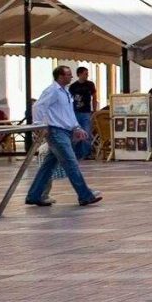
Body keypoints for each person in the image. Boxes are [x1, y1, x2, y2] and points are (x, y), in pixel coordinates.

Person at [23, 62, 101, 208]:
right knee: (70, 162)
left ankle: (35, 194)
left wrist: (76, 127)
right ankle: (85, 195)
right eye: (68, 74)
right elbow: (38, 107)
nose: (71, 76)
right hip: (56, 131)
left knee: (49, 165)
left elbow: (68, 113)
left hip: (65, 130)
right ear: (60, 76)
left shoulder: (65, 92)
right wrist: (39, 125)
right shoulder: (52, 91)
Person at [68, 65, 98, 138]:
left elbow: (94, 97)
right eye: (85, 74)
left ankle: (85, 149)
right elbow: (69, 100)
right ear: (79, 74)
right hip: (75, 112)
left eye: (87, 74)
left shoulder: (90, 84)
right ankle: (76, 149)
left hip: (86, 112)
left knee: (86, 132)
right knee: (76, 133)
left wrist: (94, 111)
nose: (87, 75)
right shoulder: (73, 86)